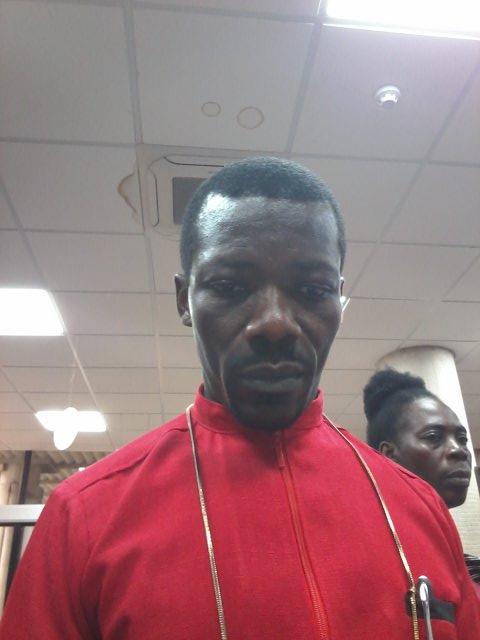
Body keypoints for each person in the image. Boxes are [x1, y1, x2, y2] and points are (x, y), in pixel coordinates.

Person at [1, 157, 479, 639]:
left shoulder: (419, 506)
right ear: (184, 300)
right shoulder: (84, 517)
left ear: (338, 299)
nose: (274, 324)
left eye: (312, 289)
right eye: (230, 287)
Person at [364, 367, 480, 587]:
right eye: (434, 437)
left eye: (462, 439)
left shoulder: (468, 570)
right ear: (389, 455)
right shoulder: (369, 560)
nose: (459, 450)